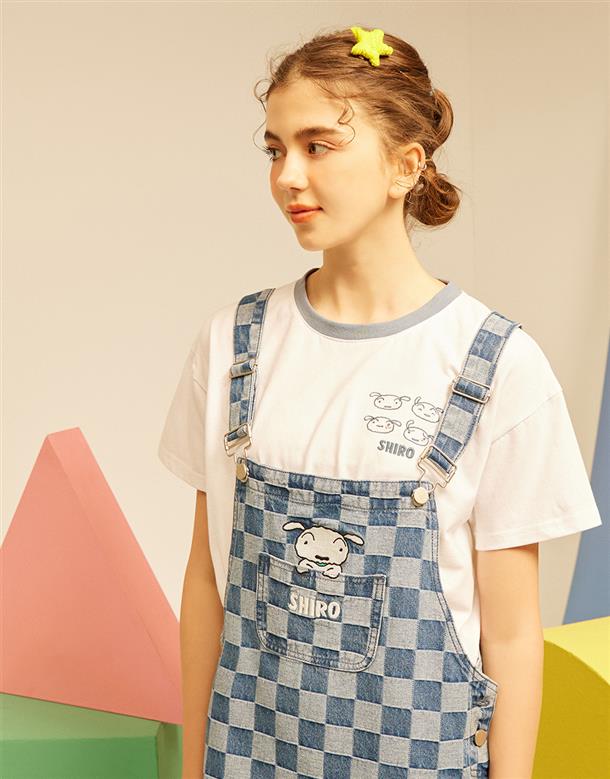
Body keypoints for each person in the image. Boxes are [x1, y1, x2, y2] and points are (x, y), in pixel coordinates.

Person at [158, 26, 602, 779]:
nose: (288, 176)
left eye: (319, 146)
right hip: (250, 755)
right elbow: (207, 582)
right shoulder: (233, 342)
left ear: (406, 165)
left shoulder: (497, 364)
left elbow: (512, 635)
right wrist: (197, 765)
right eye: (275, 149)